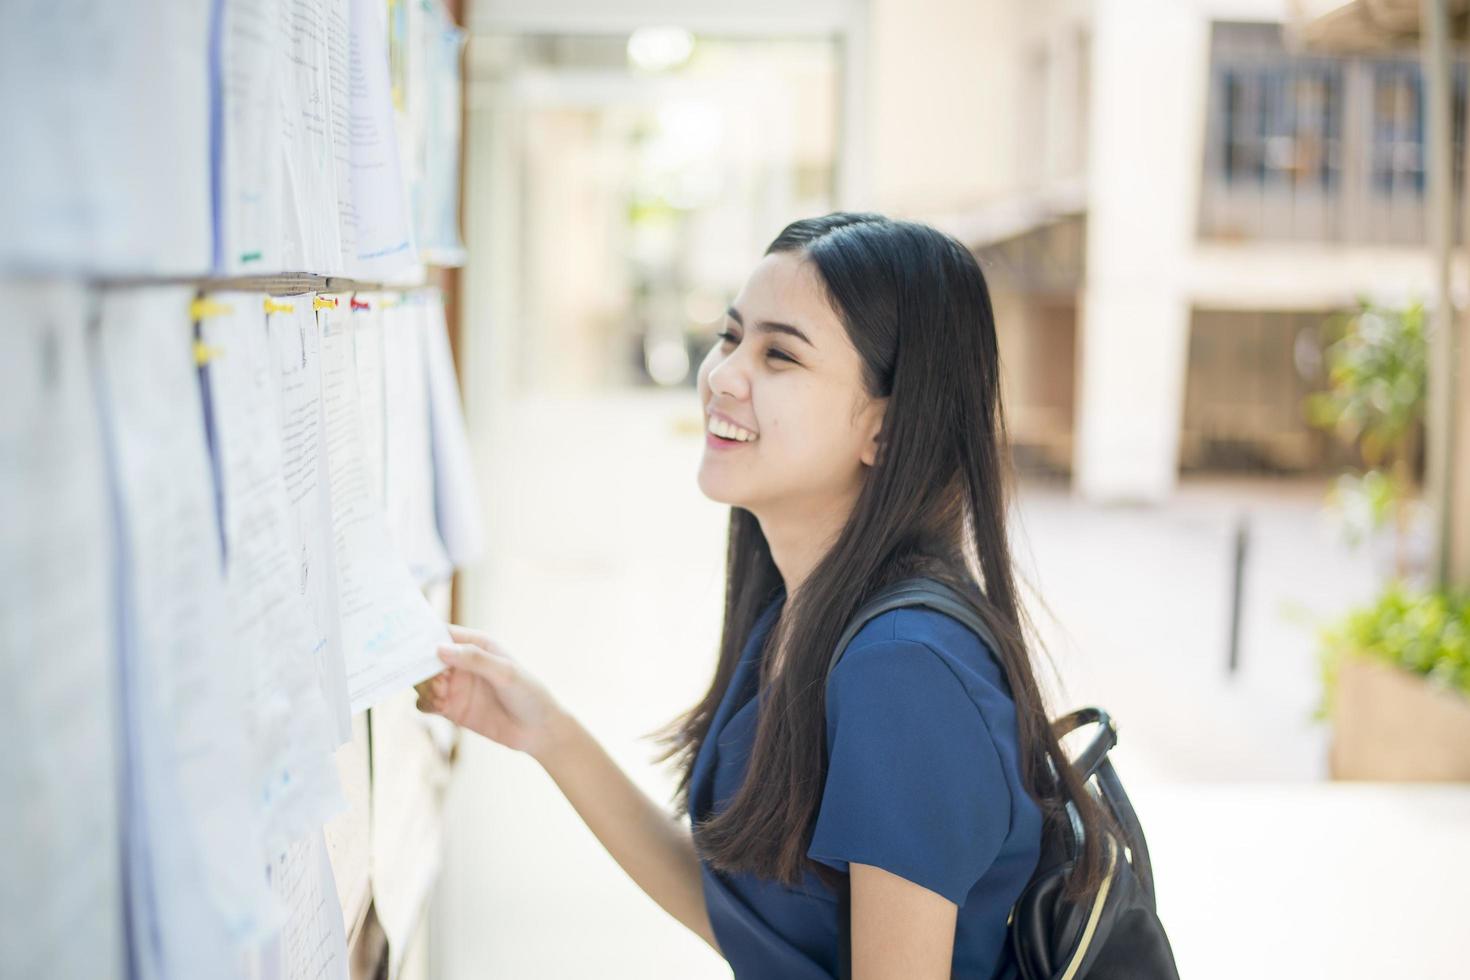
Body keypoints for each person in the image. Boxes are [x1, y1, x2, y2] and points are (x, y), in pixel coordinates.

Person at [417, 212, 1112, 979]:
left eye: (780, 354)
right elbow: (752, 926)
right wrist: (547, 730)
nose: (722, 374)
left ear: (886, 429)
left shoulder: (905, 671)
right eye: (731, 336)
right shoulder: (805, 615)